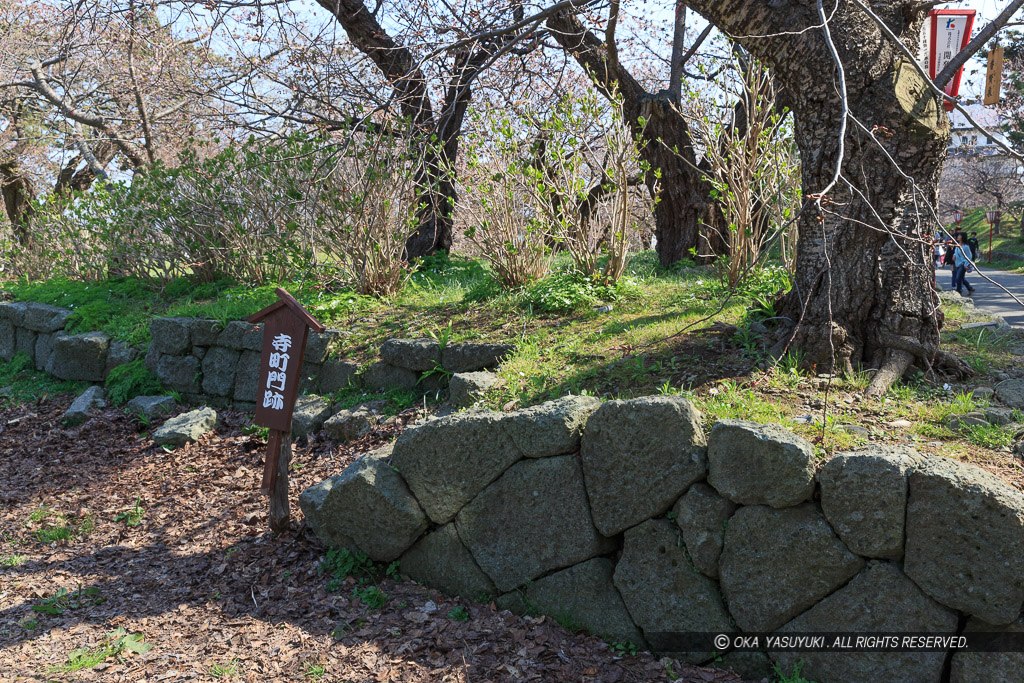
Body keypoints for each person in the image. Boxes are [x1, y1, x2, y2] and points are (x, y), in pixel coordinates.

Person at [952, 233, 976, 297]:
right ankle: (970, 288)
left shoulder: (966, 246)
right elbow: (955, 252)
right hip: (957, 263)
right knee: (961, 278)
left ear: (963, 237)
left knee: (958, 278)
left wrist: (966, 264)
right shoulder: (958, 245)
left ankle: (959, 292)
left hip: (963, 264)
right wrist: (954, 256)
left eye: (959, 235)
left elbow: (969, 256)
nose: (958, 236)